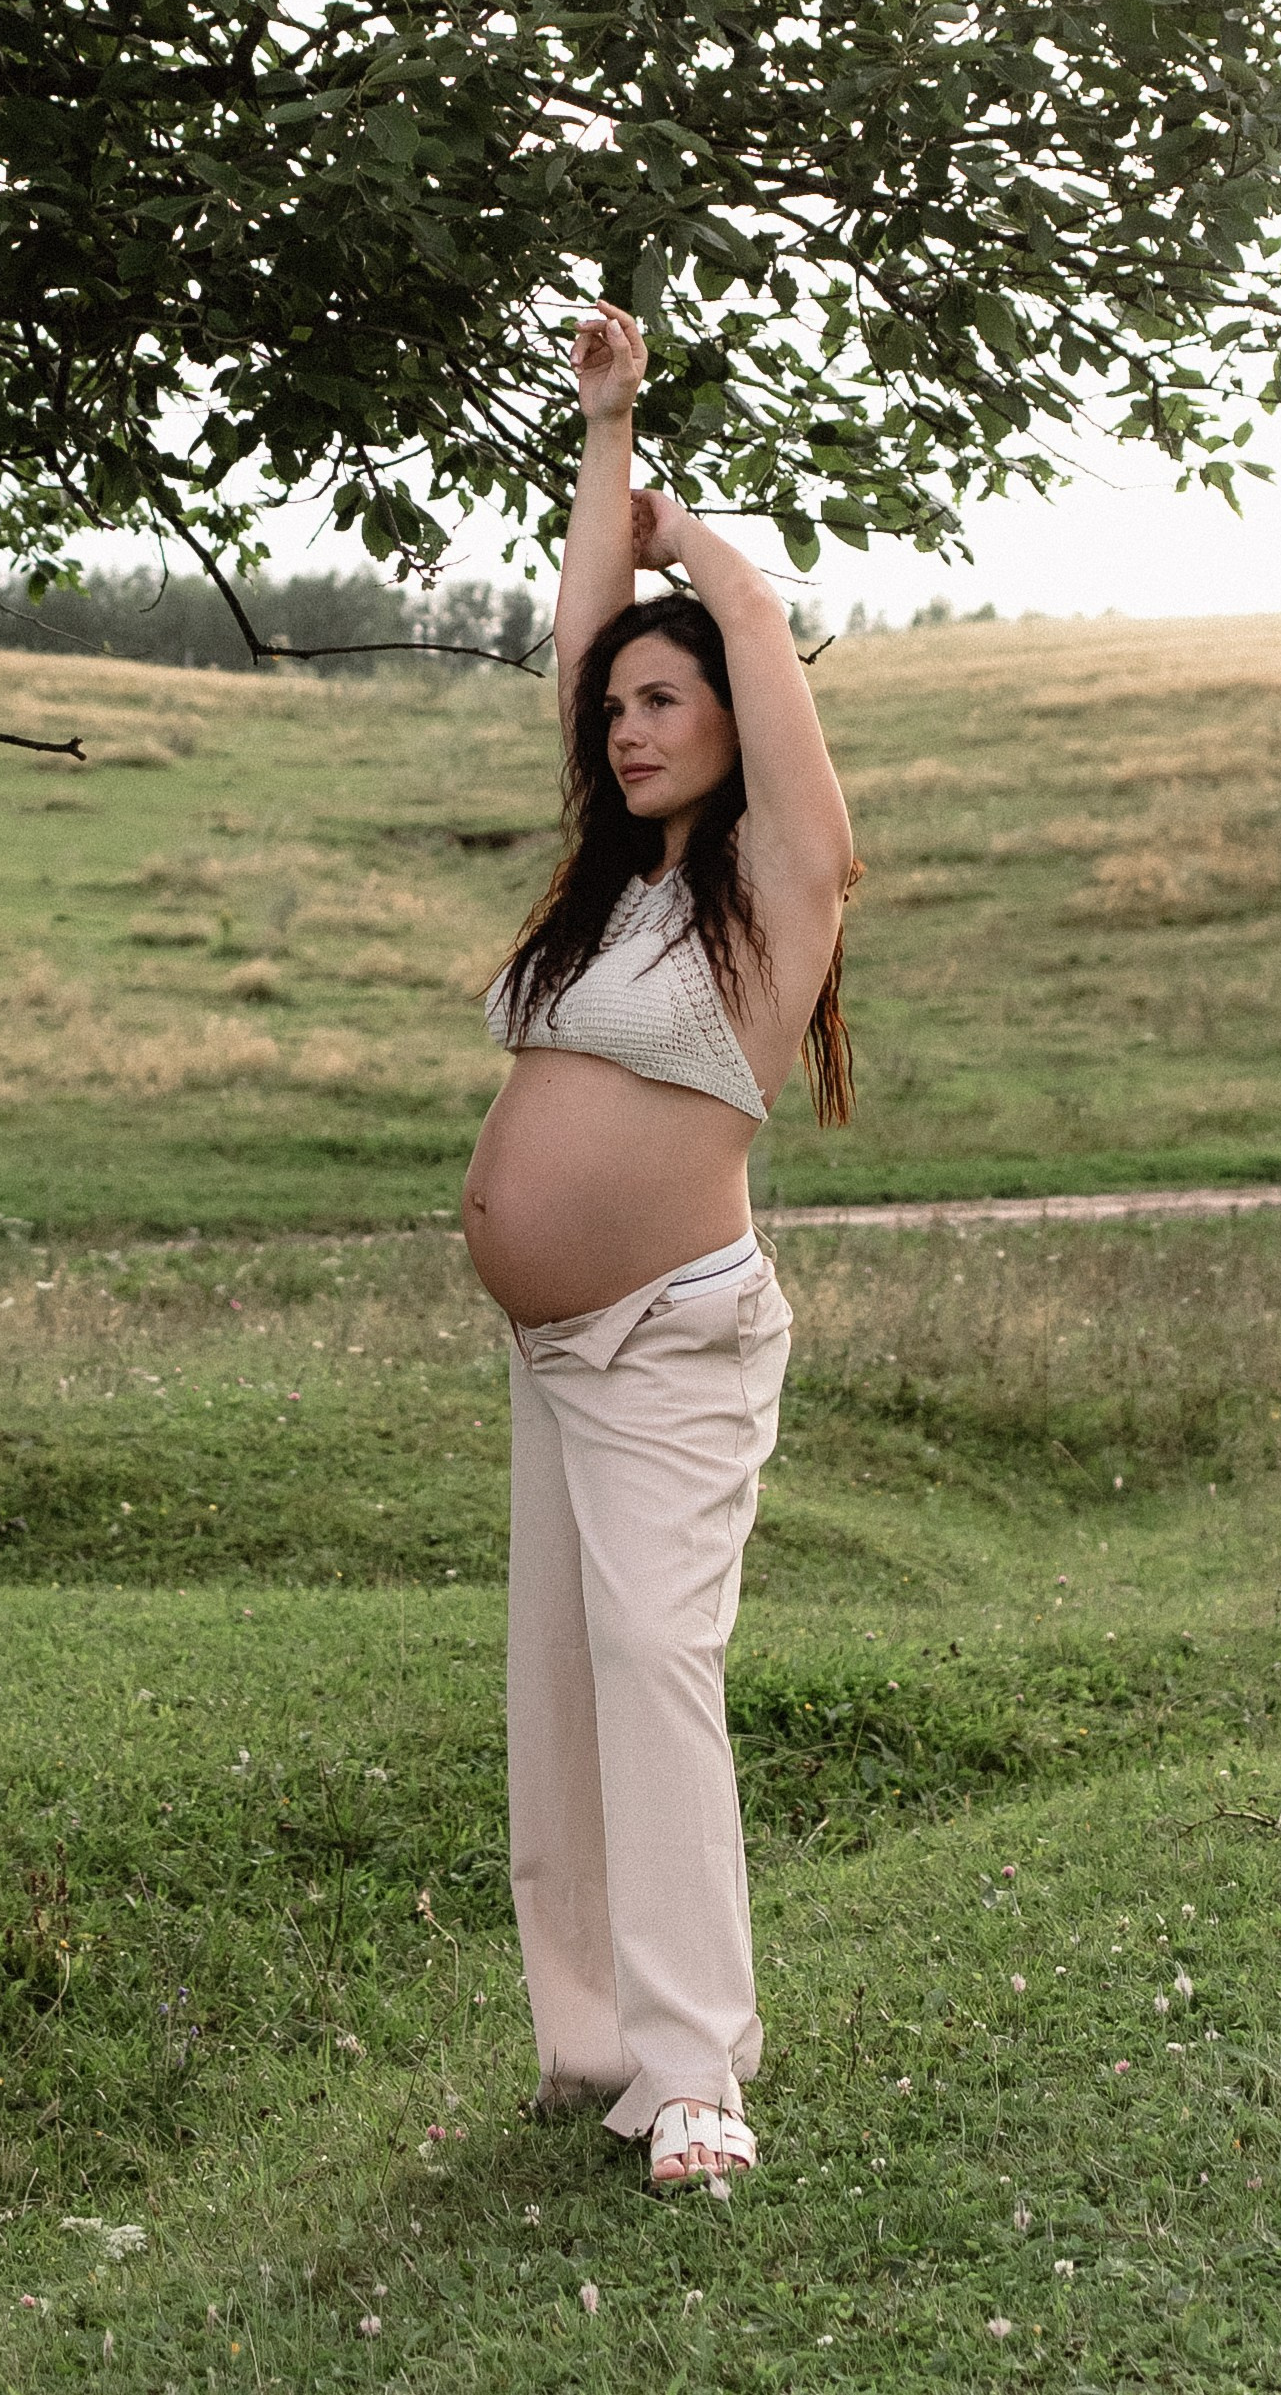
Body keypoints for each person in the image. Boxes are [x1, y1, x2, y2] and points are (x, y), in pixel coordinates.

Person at [462, 303, 857, 2192]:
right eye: (615, 711)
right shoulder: (615, 895)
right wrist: (604, 430)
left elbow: (751, 636)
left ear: (732, 725)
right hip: (556, 1348)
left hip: (672, 1340)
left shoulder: (776, 892)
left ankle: (698, 2074)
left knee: (652, 1659)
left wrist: (695, 553)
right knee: (562, 1688)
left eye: (661, 705)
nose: (624, 728)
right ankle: (596, 2044)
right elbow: (578, 644)